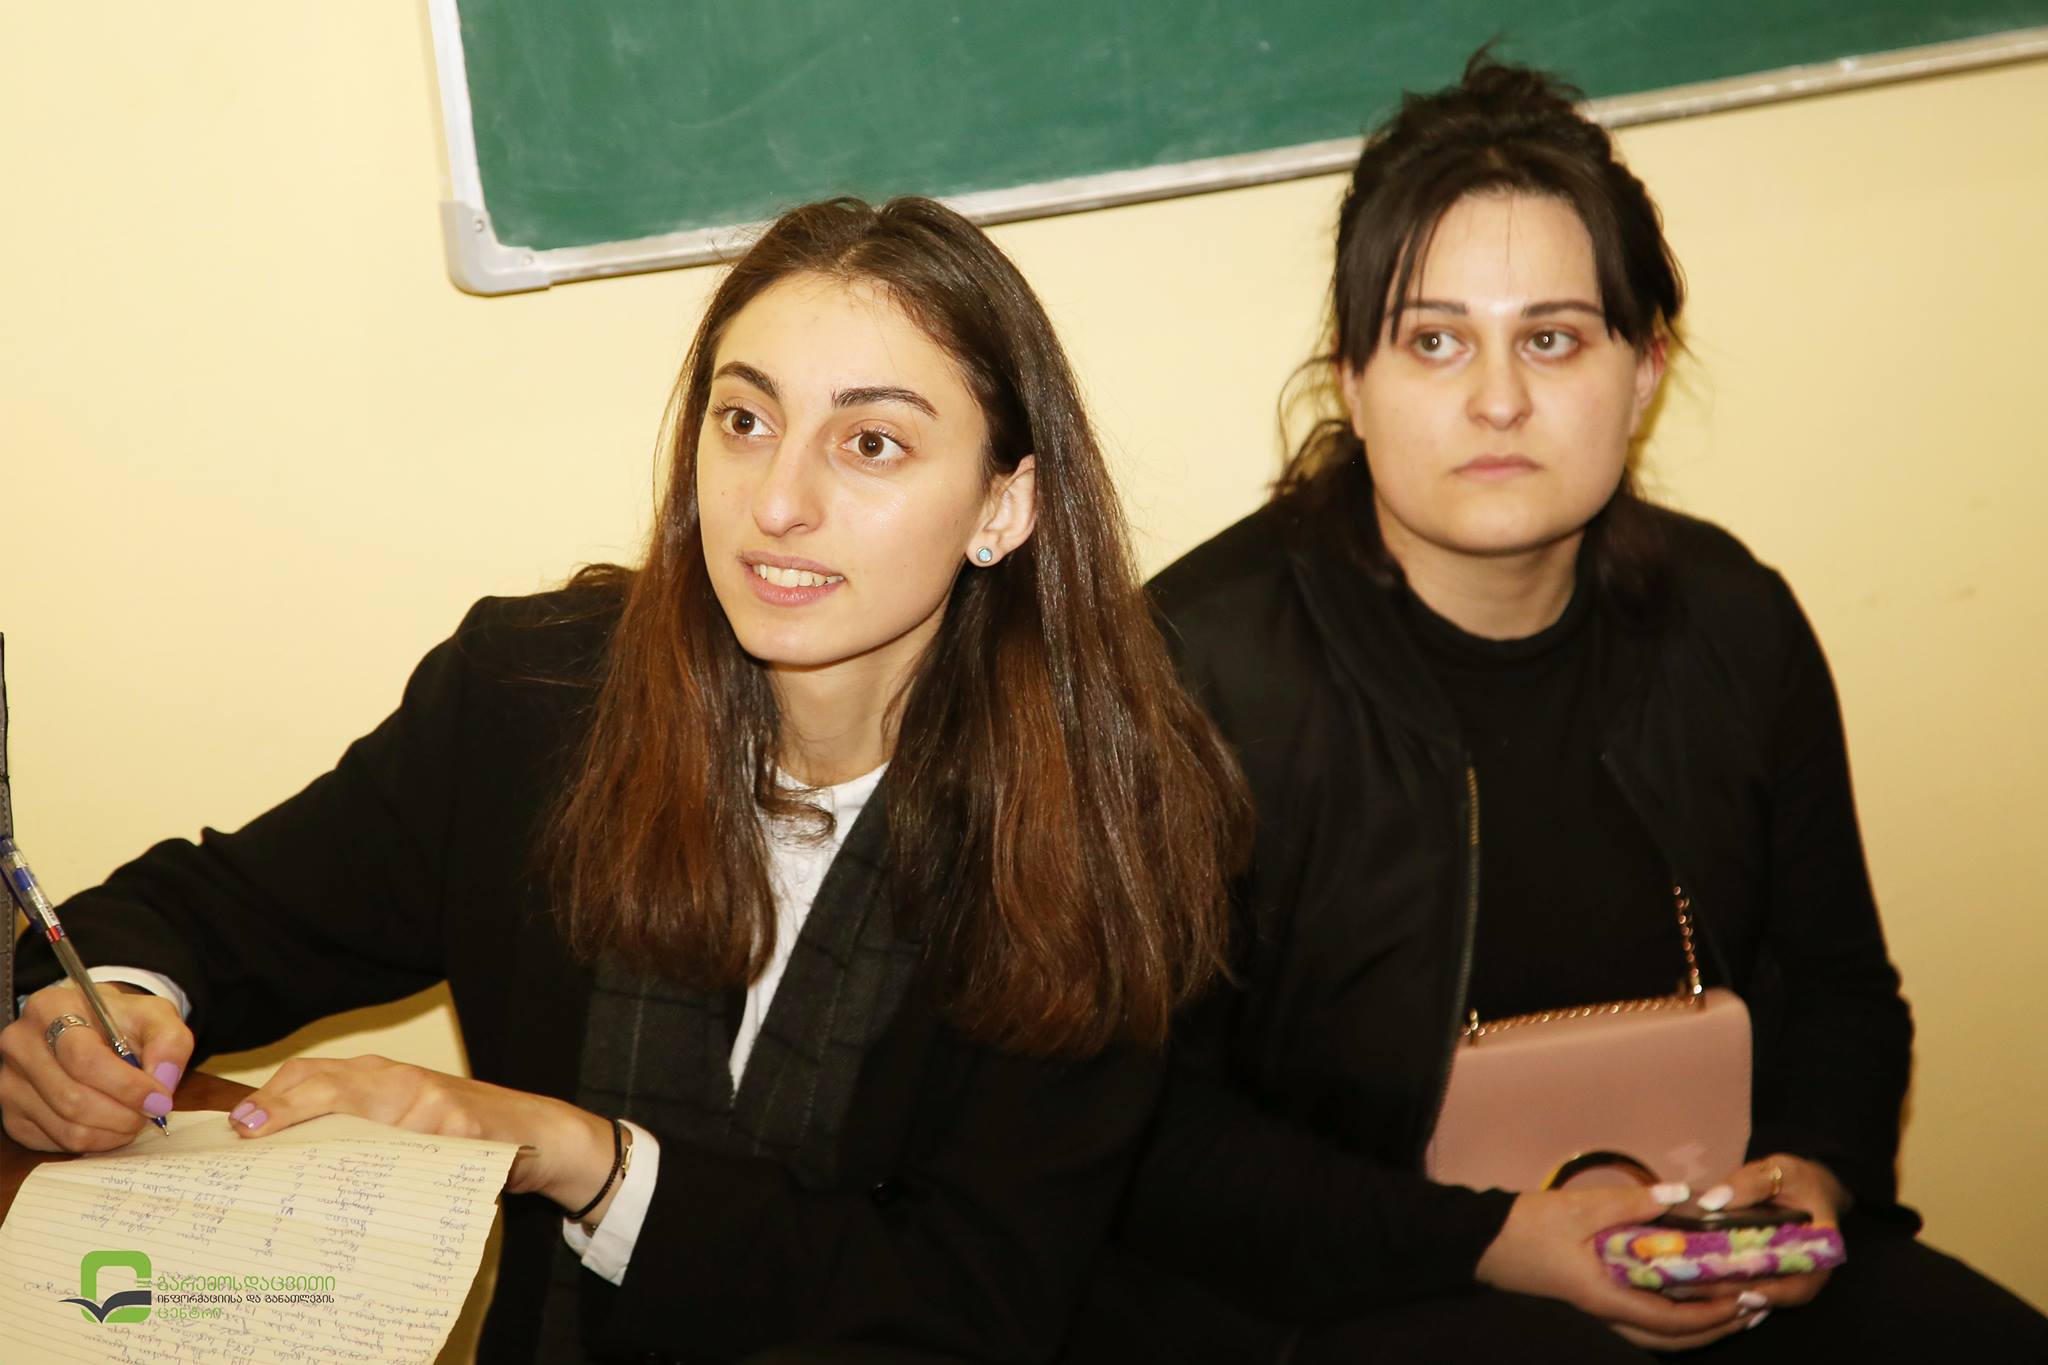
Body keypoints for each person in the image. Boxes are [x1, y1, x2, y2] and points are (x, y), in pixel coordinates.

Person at [1, 196, 1249, 1364]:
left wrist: (582, 1158)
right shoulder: (534, 699)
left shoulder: (1102, 820)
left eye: (870, 443)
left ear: (1003, 507)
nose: (777, 501)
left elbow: (969, 1306)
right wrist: (102, 1016)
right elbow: (196, 916)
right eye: (743, 421)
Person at [1070, 54, 2048, 1363]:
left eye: (1552, 337)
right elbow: (1147, 1137)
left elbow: (1842, 992)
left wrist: (1813, 1175)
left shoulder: (1733, 619)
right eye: (1433, 340)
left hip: (1704, 1245)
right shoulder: (1191, 671)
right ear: (1351, 379)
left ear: (1643, 370)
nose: (1498, 399)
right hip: (1350, 1290)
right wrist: (1496, 1241)